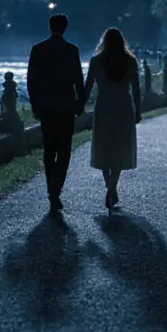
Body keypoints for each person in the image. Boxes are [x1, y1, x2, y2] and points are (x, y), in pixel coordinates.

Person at [26, 13, 86, 213]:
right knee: (65, 150)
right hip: (66, 107)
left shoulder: (38, 49)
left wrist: (35, 105)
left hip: (46, 108)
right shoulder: (72, 50)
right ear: (65, 28)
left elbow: (31, 81)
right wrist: (80, 102)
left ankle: (51, 188)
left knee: (49, 150)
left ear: (49, 26)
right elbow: (78, 79)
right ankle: (55, 190)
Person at [80, 28, 141, 210]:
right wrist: (138, 110)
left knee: (104, 147)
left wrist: (80, 105)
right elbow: (136, 89)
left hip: (104, 107)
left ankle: (109, 186)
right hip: (123, 107)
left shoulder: (97, 61)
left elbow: (88, 87)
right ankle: (113, 186)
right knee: (120, 147)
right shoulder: (130, 61)